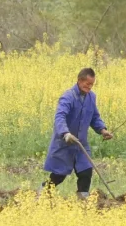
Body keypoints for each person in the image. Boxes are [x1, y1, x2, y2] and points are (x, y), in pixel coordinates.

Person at [43, 67, 114, 200]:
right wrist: (66, 133)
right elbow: (60, 116)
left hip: (81, 144)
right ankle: (42, 194)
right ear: (79, 81)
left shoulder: (91, 97)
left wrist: (102, 130)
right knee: (58, 175)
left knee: (86, 172)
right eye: (87, 84)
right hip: (65, 142)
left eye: (92, 84)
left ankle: (83, 201)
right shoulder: (68, 97)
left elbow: (94, 117)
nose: (89, 87)